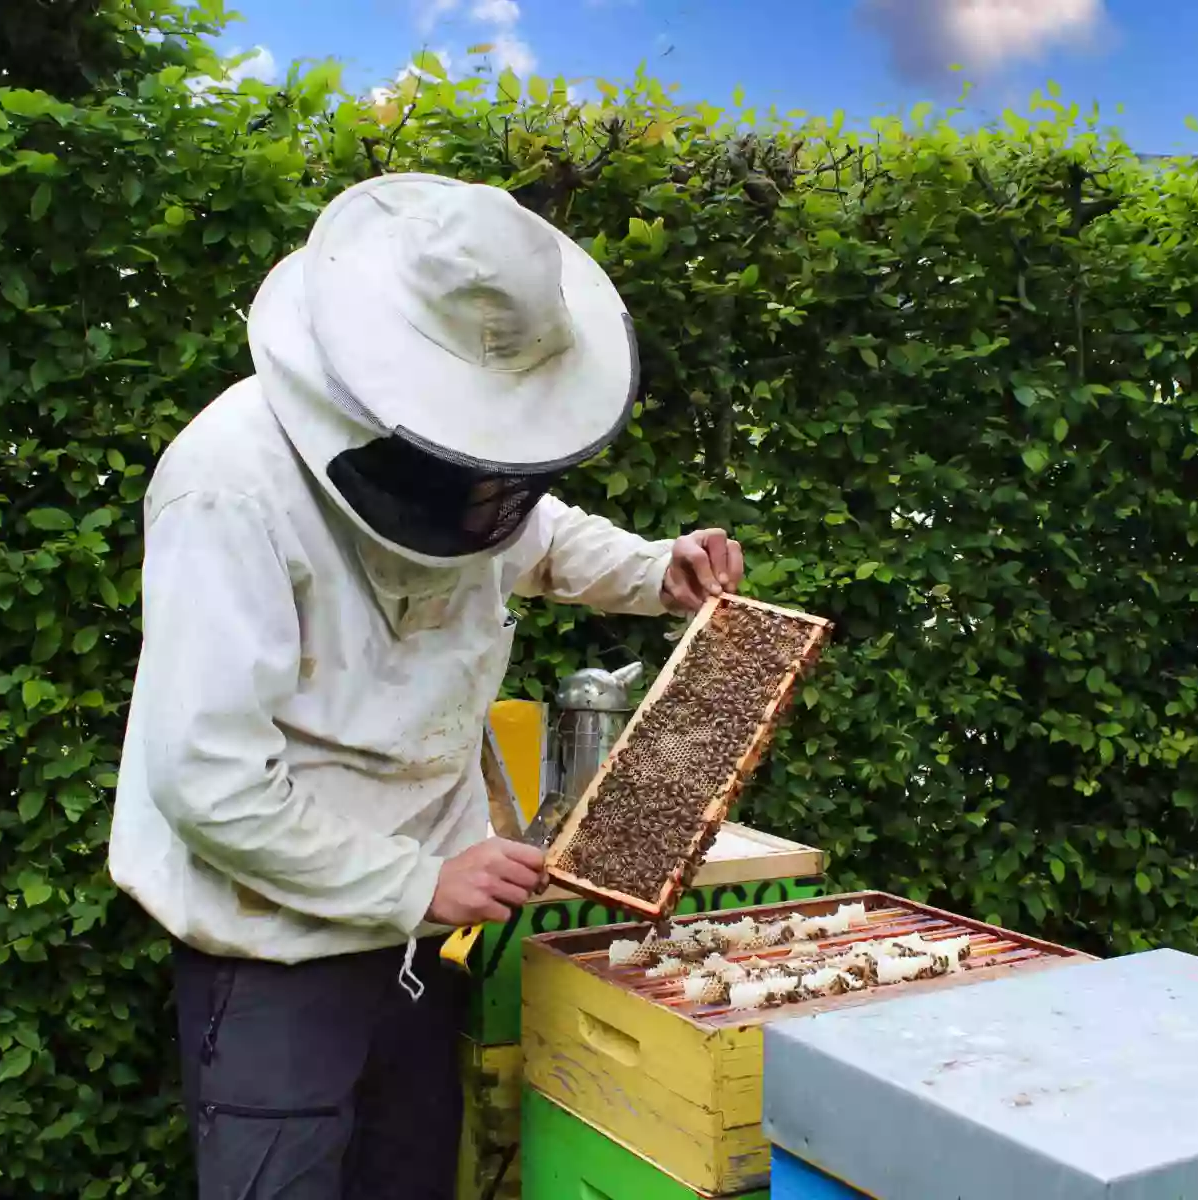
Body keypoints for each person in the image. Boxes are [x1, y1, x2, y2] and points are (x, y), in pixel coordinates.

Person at [108, 172, 745, 1199]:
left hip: (421, 933)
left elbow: (525, 528)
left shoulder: (456, 466)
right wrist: (418, 885)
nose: (488, 486)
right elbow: (207, 776)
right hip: (276, 940)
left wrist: (651, 569)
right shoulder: (230, 486)